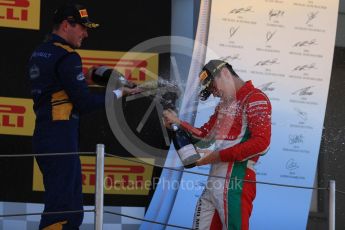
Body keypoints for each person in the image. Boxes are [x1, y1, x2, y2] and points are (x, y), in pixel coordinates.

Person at [27, 3, 139, 229]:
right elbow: (85, 103)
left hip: (47, 135)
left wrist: (86, 79)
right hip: (60, 138)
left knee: (66, 206)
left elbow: (55, 87)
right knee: (64, 209)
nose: (86, 34)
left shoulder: (41, 51)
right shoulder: (68, 57)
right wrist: (119, 93)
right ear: (67, 25)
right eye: (82, 28)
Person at [163, 60, 272, 230]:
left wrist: (216, 156)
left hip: (237, 179)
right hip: (214, 180)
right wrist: (178, 123)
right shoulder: (224, 105)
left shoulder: (255, 98)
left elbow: (261, 144)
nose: (214, 94)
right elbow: (204, 138)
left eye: (213, 88)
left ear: (225, 75)